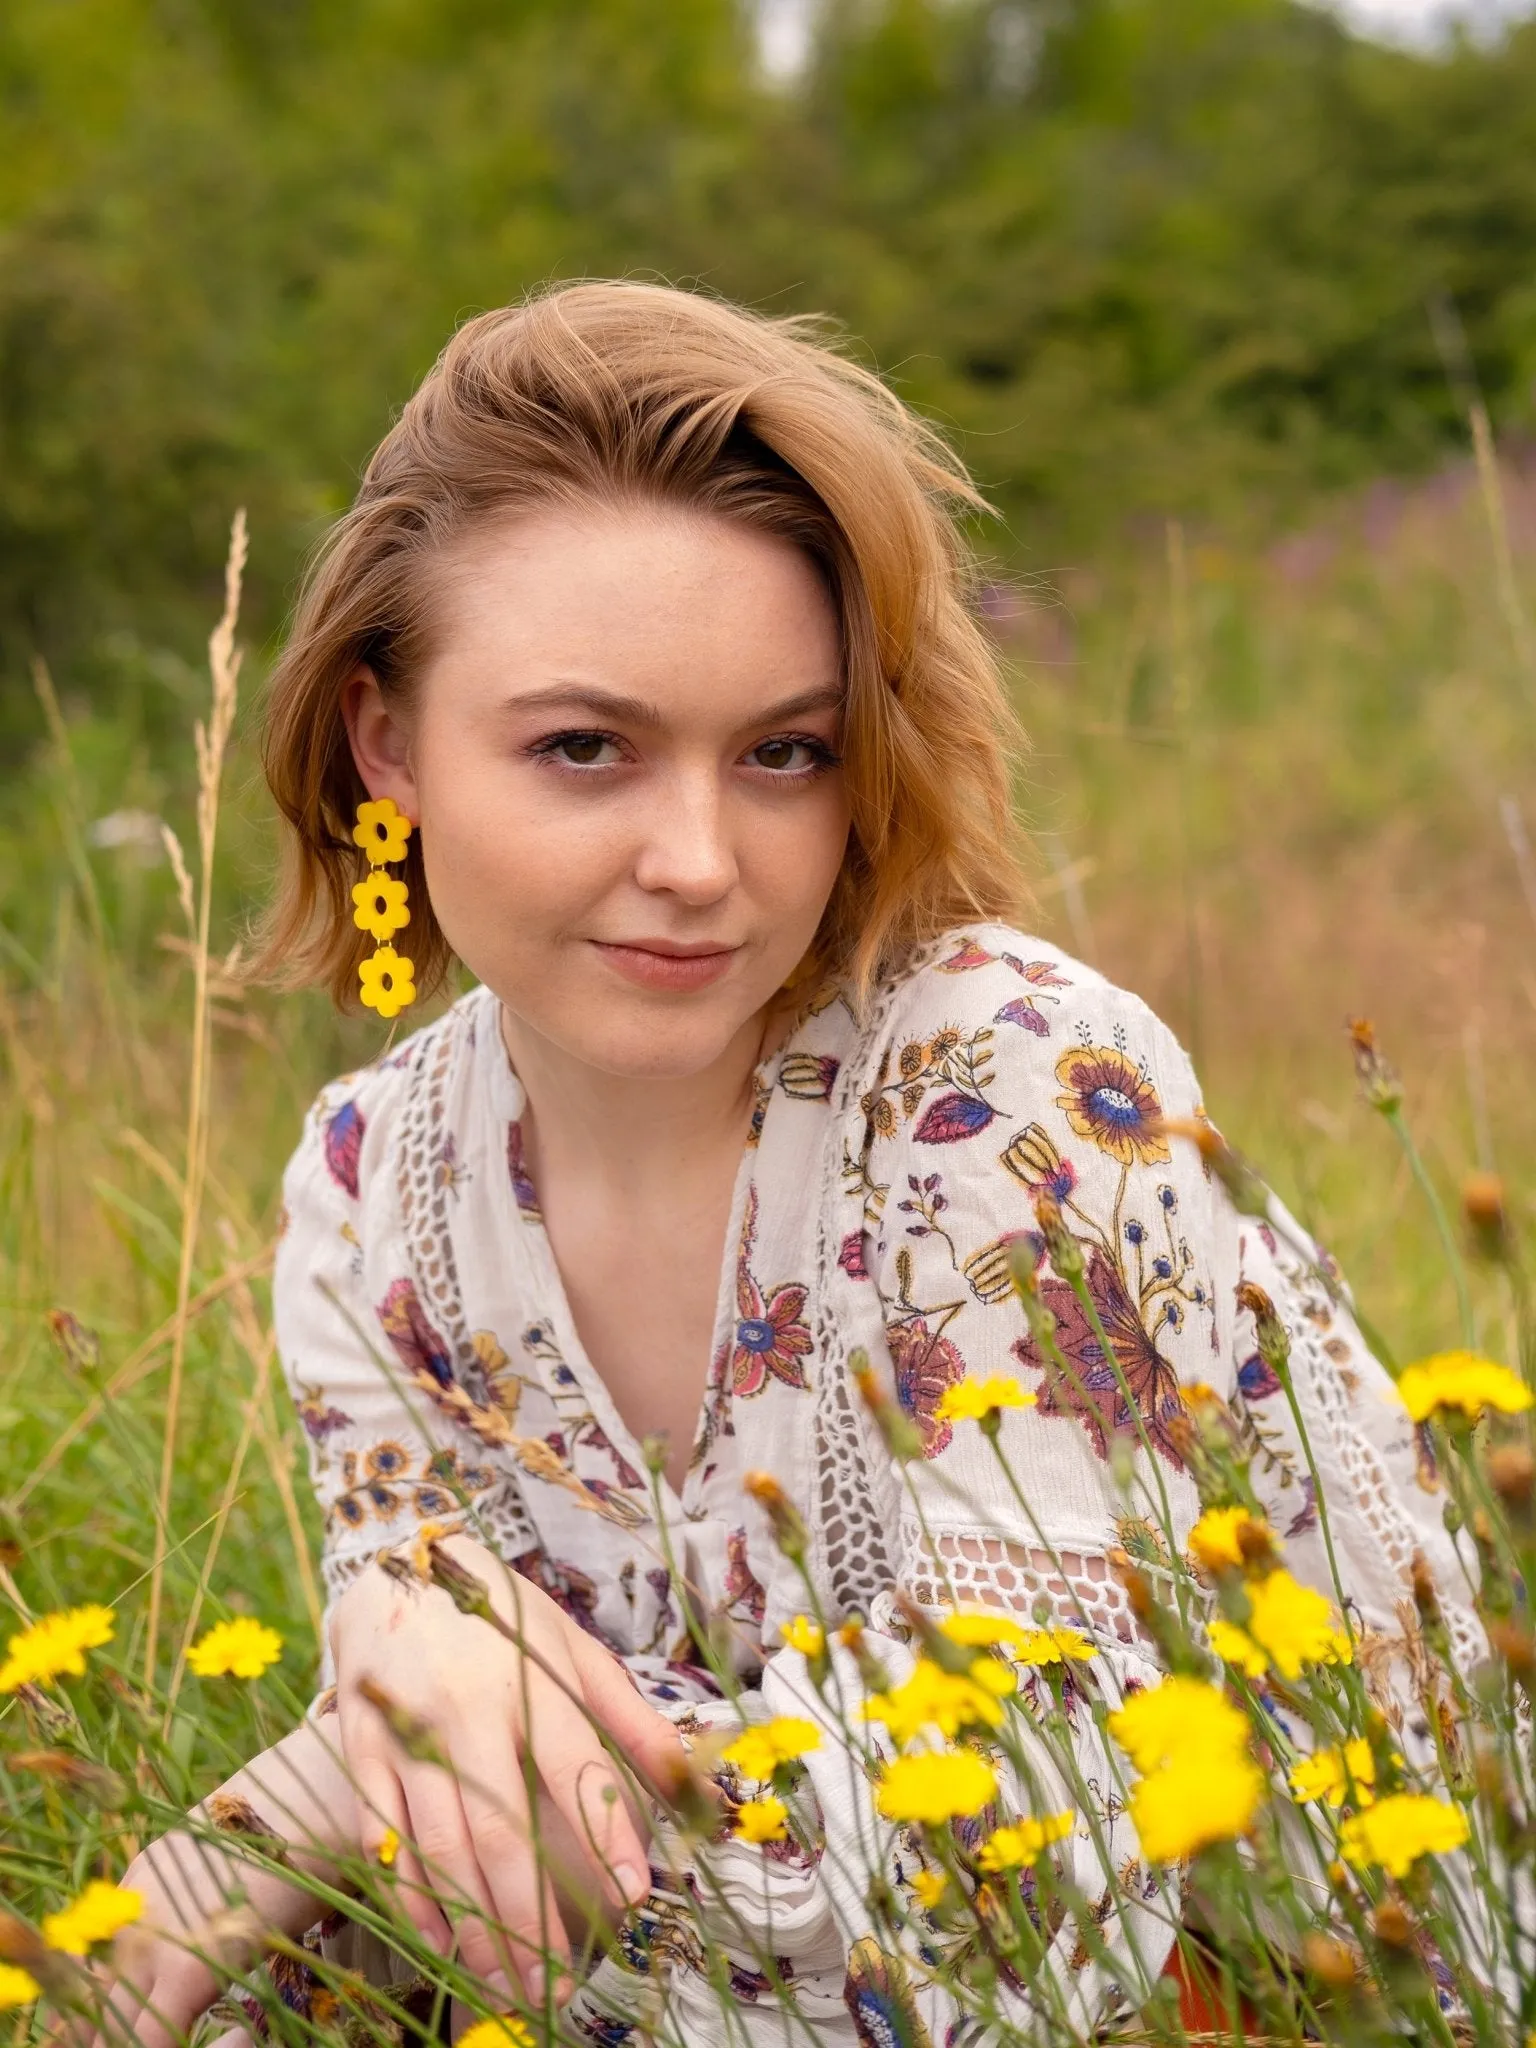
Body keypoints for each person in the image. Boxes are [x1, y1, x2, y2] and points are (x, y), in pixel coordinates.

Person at [103, 281, 1484, 2047]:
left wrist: (303, 1786)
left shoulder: (1007, 1086)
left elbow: (1019, 1877)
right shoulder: (366, 1189)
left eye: (784, 752)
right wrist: (398, 1651)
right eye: (583, 747)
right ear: (387, 743)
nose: (698, 858)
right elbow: (453, 1811)